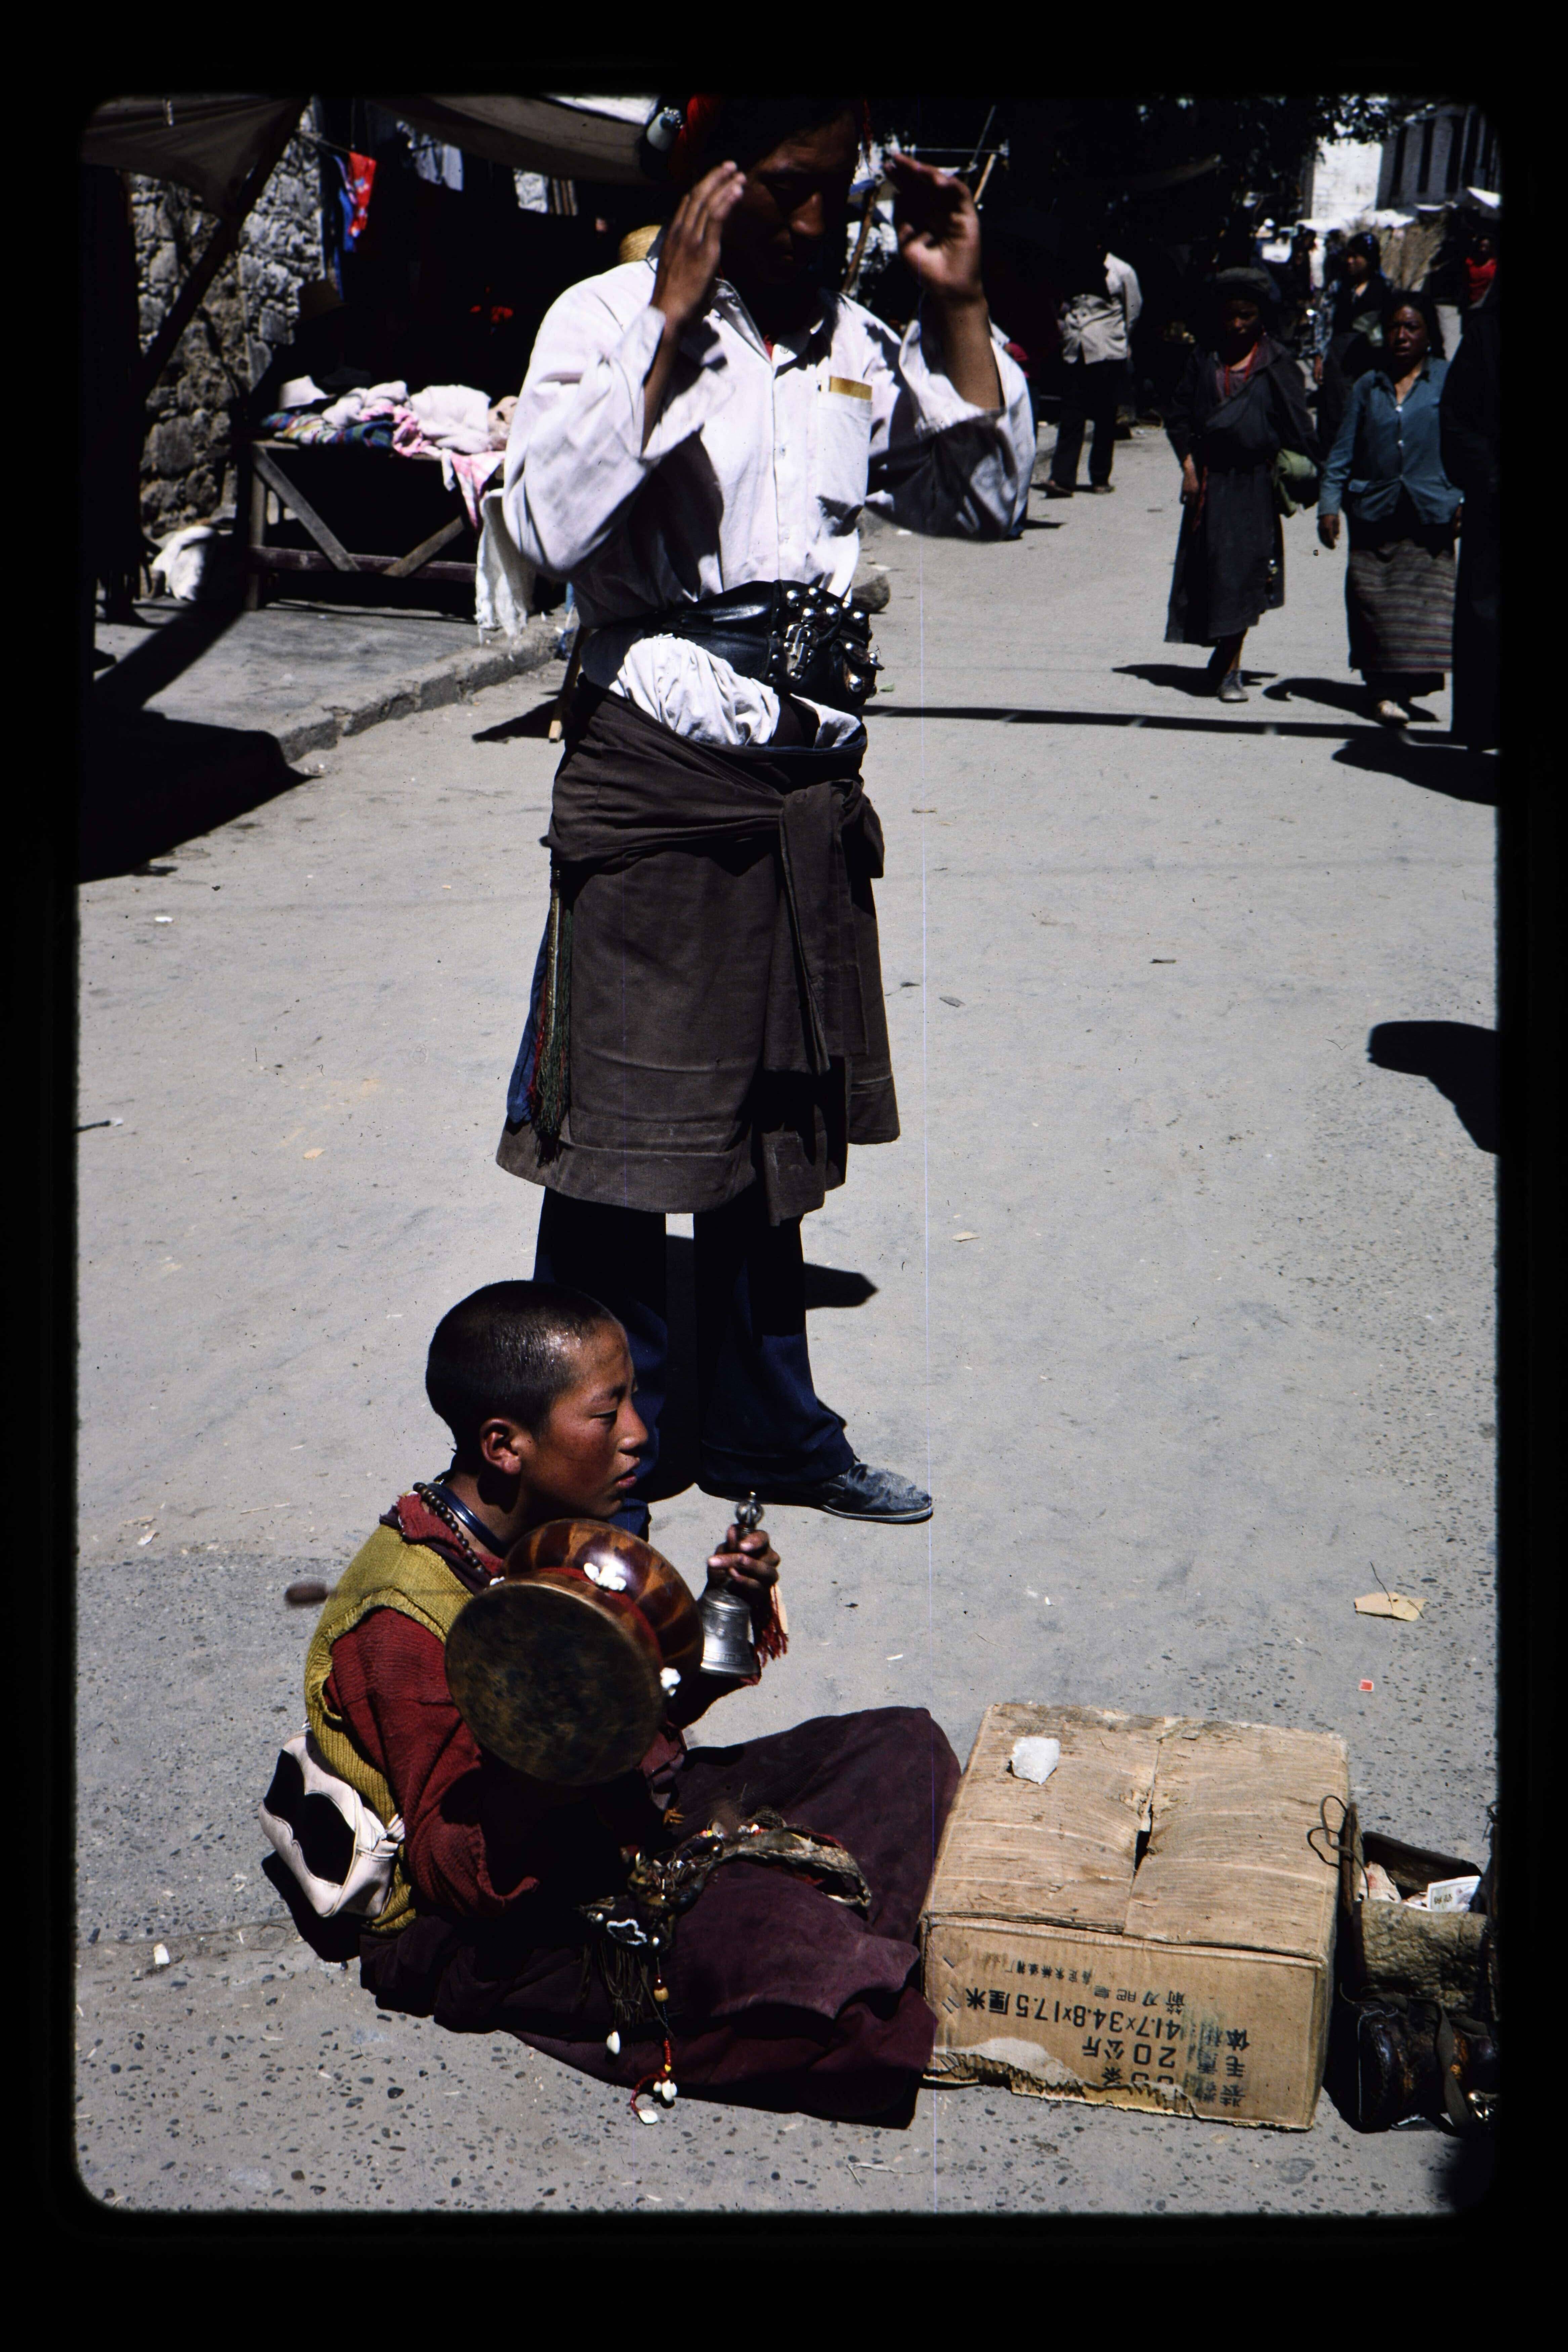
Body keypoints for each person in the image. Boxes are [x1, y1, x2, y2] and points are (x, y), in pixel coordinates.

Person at [496, 96, 1034, 1533]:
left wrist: (959, 304)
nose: (813, 220)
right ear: (711, 184)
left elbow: (985, 501)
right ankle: (605, 1465)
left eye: (832, 191)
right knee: (621, 1139)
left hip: (803, 781)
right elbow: (544, 533)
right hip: (655, 765)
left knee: (769, 1131)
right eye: (784, 188)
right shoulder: (604, 320)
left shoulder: (861, 343)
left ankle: (770, 1429)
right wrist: (671, 326)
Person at [276, 1282, 960, 2123]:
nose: (639, 1433)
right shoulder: (403, 1623)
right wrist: (559, 1723)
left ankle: (821, 1930)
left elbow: (648, 1720)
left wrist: (716, 1616)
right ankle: (831, 1941)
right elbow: (460, 1876)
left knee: (901, 1749)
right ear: (504, 1445)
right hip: (491, 1919)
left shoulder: (546, 1537)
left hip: (609, 1808)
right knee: (821, 1979)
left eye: (634, 1398)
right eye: (606, 1414)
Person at [1162, 267, 1317, 701]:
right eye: (1229, 316)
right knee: (1212, 573)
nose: (1236, 325)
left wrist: (1316, 478)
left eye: (1246, 316)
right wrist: (1188, 465)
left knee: (1243, 574)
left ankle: (1230, 668)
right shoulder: (1204, 359)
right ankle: (1223, 655)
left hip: (1254, 485)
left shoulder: (1276, 364)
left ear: (1260, 317)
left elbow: (1299, 427)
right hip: (1210, 482)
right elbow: (1178, 416)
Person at [1317, 288, 1459, 727]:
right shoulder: (1368, 385)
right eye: (1394, 327)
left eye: (1411, 327)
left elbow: (1468, 443)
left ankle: (1402, 689)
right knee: (1373, 605)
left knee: (1422, 610)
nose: (1401, 336)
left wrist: (1463, 498)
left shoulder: (1447, 380)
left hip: (1429, 511)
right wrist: (1328, 505)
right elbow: (1342, 450)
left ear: (1428, 335)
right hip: (1373, 511)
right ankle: (1381, 690)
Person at [1440, 265, 1499, 749]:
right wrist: (1490, 475)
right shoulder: (1487, 334)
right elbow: (1456, 417)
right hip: (1496, 507)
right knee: (1489, 621)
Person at [1044, 232, 1141, 496]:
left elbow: (1133, 309)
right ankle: (1062, 479)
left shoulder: (1121, 271)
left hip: (1107, 350)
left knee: (1105, 416)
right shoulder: (1074, 267)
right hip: (1077, 350)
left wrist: (1120, 338)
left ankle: (1100, 477)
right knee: (1071, 415)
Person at [1313, 230, 1388, 463]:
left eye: (1356, 257)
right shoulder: (1338, 287)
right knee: (1335, 409)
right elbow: (1324, 321)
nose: (1350, 261)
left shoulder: (1384, 288)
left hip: (1371, 356)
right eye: (1348, 256)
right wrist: (1319, 355)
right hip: (1339, 356)